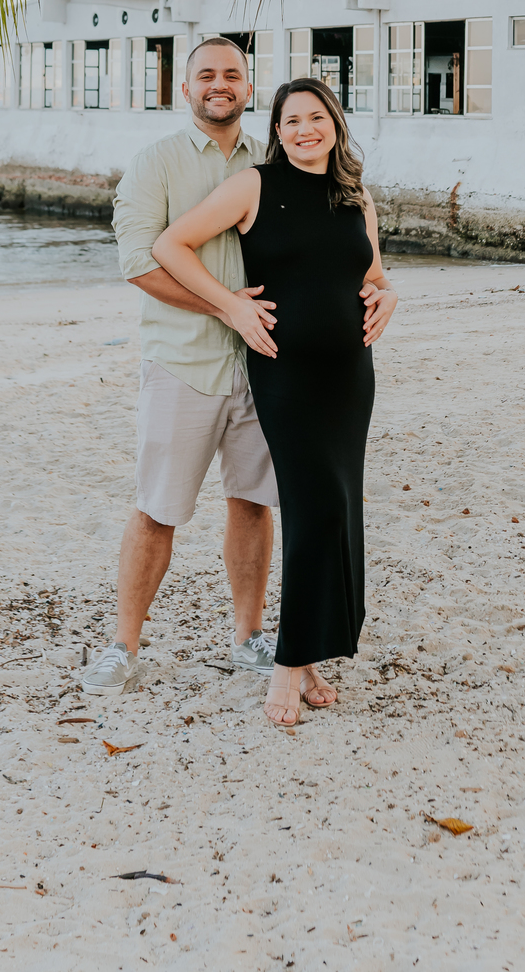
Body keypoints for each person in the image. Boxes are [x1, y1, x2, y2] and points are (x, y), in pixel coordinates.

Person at [153, 77, 398, 728]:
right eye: (291, 120)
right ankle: (289, 666)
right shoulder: (255, 186)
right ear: (278, 129)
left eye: (316, 117)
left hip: (351, 378)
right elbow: (168, 245)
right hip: (285, 375)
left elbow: (370, 272)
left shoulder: (356, 194)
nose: (304, 129)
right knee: (315, 508)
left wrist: (390, 293)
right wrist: (231, 306)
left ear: (335, 123)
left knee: (337, 512)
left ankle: (309, 655)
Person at [81, 37, 280, 699]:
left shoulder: (275, 161)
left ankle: (250, 635)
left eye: (233, 75)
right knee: (157, 508)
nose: (219, 84)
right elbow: (139, 262)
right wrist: (226, 308)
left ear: (249, 89)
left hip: (264, 366)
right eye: (206, 75)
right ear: (185, 89)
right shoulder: (155, 163)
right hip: (182, 363)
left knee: (252, 501)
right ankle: (123, 644)